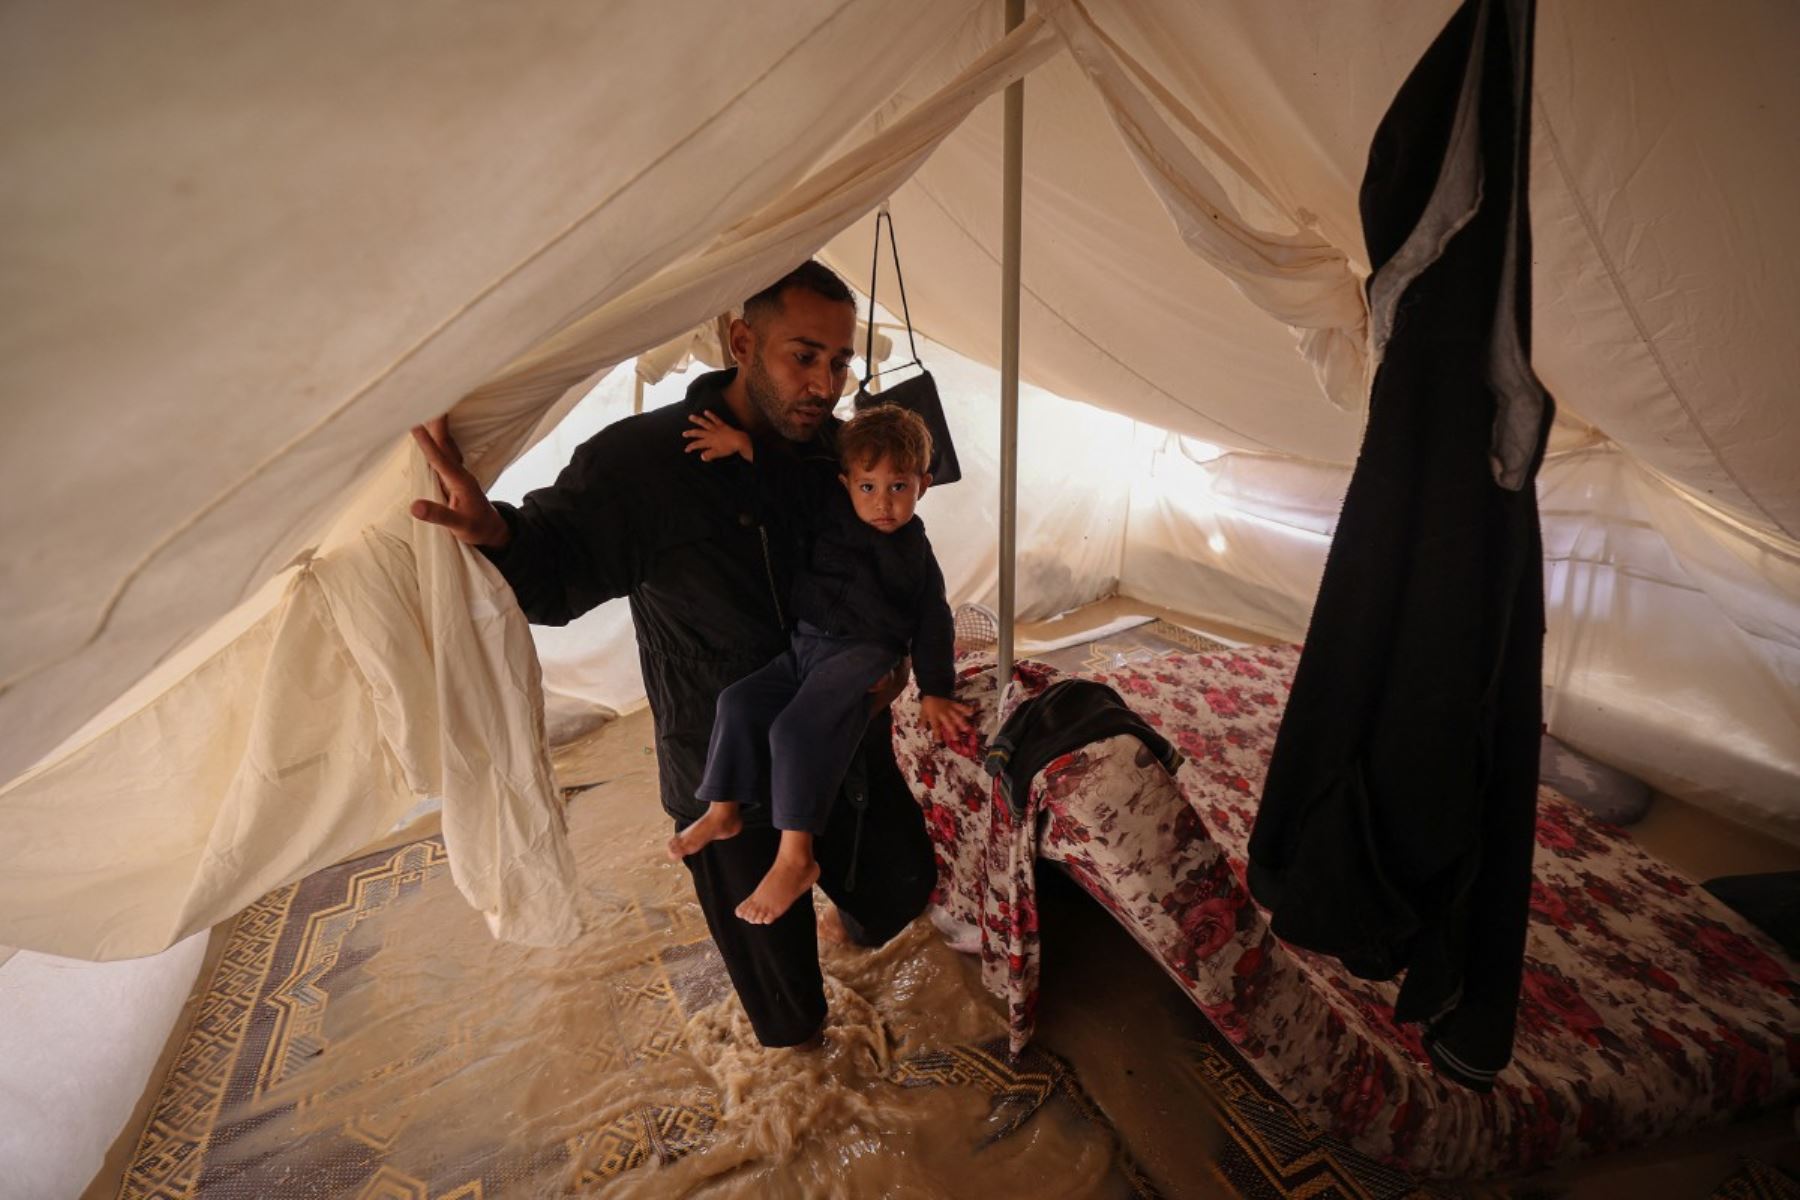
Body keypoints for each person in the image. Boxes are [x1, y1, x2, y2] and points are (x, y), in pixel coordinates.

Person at [409, 260, 939, 1049]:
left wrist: (900, 659)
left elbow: (892, 566)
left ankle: (852, 933)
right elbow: (556, 573)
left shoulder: (839, 455)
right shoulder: (644, 463)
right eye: (803, 356)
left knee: (901, 895)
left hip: (845, 744)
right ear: (741, 341)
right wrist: (496, 532)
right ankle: (809, 1065)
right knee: (789, 1014)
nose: (824, 385)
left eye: (839, 362)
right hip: (725, 771)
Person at [668, 404, 973, 924]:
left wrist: (935, 690)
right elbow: (790, 486)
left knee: (794, 731)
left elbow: (934, 621)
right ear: (846, 484)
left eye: (898, 487)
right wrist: (744, 446)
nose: (883, 503)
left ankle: (796, 856)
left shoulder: (915, 555)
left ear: (923, 485)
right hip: (807, 645)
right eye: (868, 487)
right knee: (738, 702)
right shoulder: (830, 513)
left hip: (865, 652)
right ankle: (724, 811)